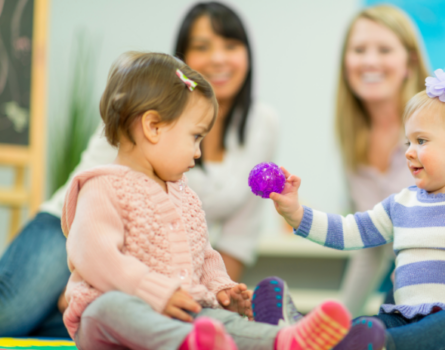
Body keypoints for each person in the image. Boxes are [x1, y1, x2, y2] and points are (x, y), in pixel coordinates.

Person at [0, 1, 276, 337]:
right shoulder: (137, 119)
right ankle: (81, 309)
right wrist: (94, 282)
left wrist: (216, 294)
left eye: (230, 45)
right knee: (10, 317)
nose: (218, 58)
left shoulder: (263, 125)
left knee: (132, 314)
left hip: (151, 262)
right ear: (183, 59)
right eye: (203, 47)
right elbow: (97, 198)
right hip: (75, 231)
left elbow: (231, 239)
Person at [64, 51, 351, 350]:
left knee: (217, 320)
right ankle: (192, 343)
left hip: (180, 314)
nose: (198, 153)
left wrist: (221, 288)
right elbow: (96, 256)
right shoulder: (102, 187)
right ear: (153, 127)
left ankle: (285, 341)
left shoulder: (184, 195)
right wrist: (152, 291)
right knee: (108, 309)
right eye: (195, 137)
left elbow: (204, 255)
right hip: (113, 326)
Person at [268, 68, 445, 349]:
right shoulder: (401, 204)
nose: (409, 151)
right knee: (373, 322)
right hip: (408, 322)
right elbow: (349, 231)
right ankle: (305, 333)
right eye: (408, 141)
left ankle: (375, 344)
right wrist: (297, 214)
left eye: (421, 141)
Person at [333, 4, 430, 317]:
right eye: (359, 49)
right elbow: (370, 250)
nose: (370, 61)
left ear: (409, 63)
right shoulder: (354, 146)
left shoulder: (435, 124)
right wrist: (336, 323)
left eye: (384, 49)